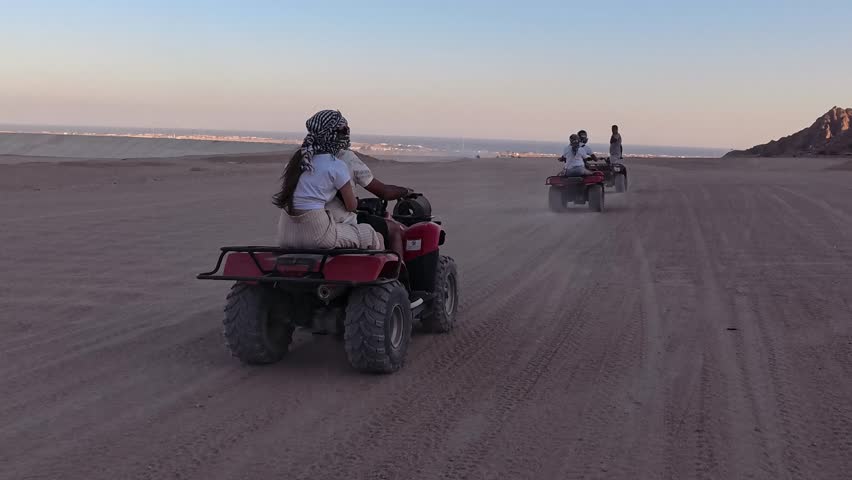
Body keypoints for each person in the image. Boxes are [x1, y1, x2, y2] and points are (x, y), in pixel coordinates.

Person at [272, 109, 384, 250]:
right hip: (317, 233)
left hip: (286, 233)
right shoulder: (336, 165)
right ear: (333, 135)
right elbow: (351, 206)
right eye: (344, 130)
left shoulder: (295, 163)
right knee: (372, 235)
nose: (347, 135)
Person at [326, 147, 412, 257]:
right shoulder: (345, 159)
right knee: (393, 228)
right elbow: (384, 192)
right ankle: (398, 270)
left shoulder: (304, 155)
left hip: (309, 220)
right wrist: (405, 191)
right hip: (340, 222)